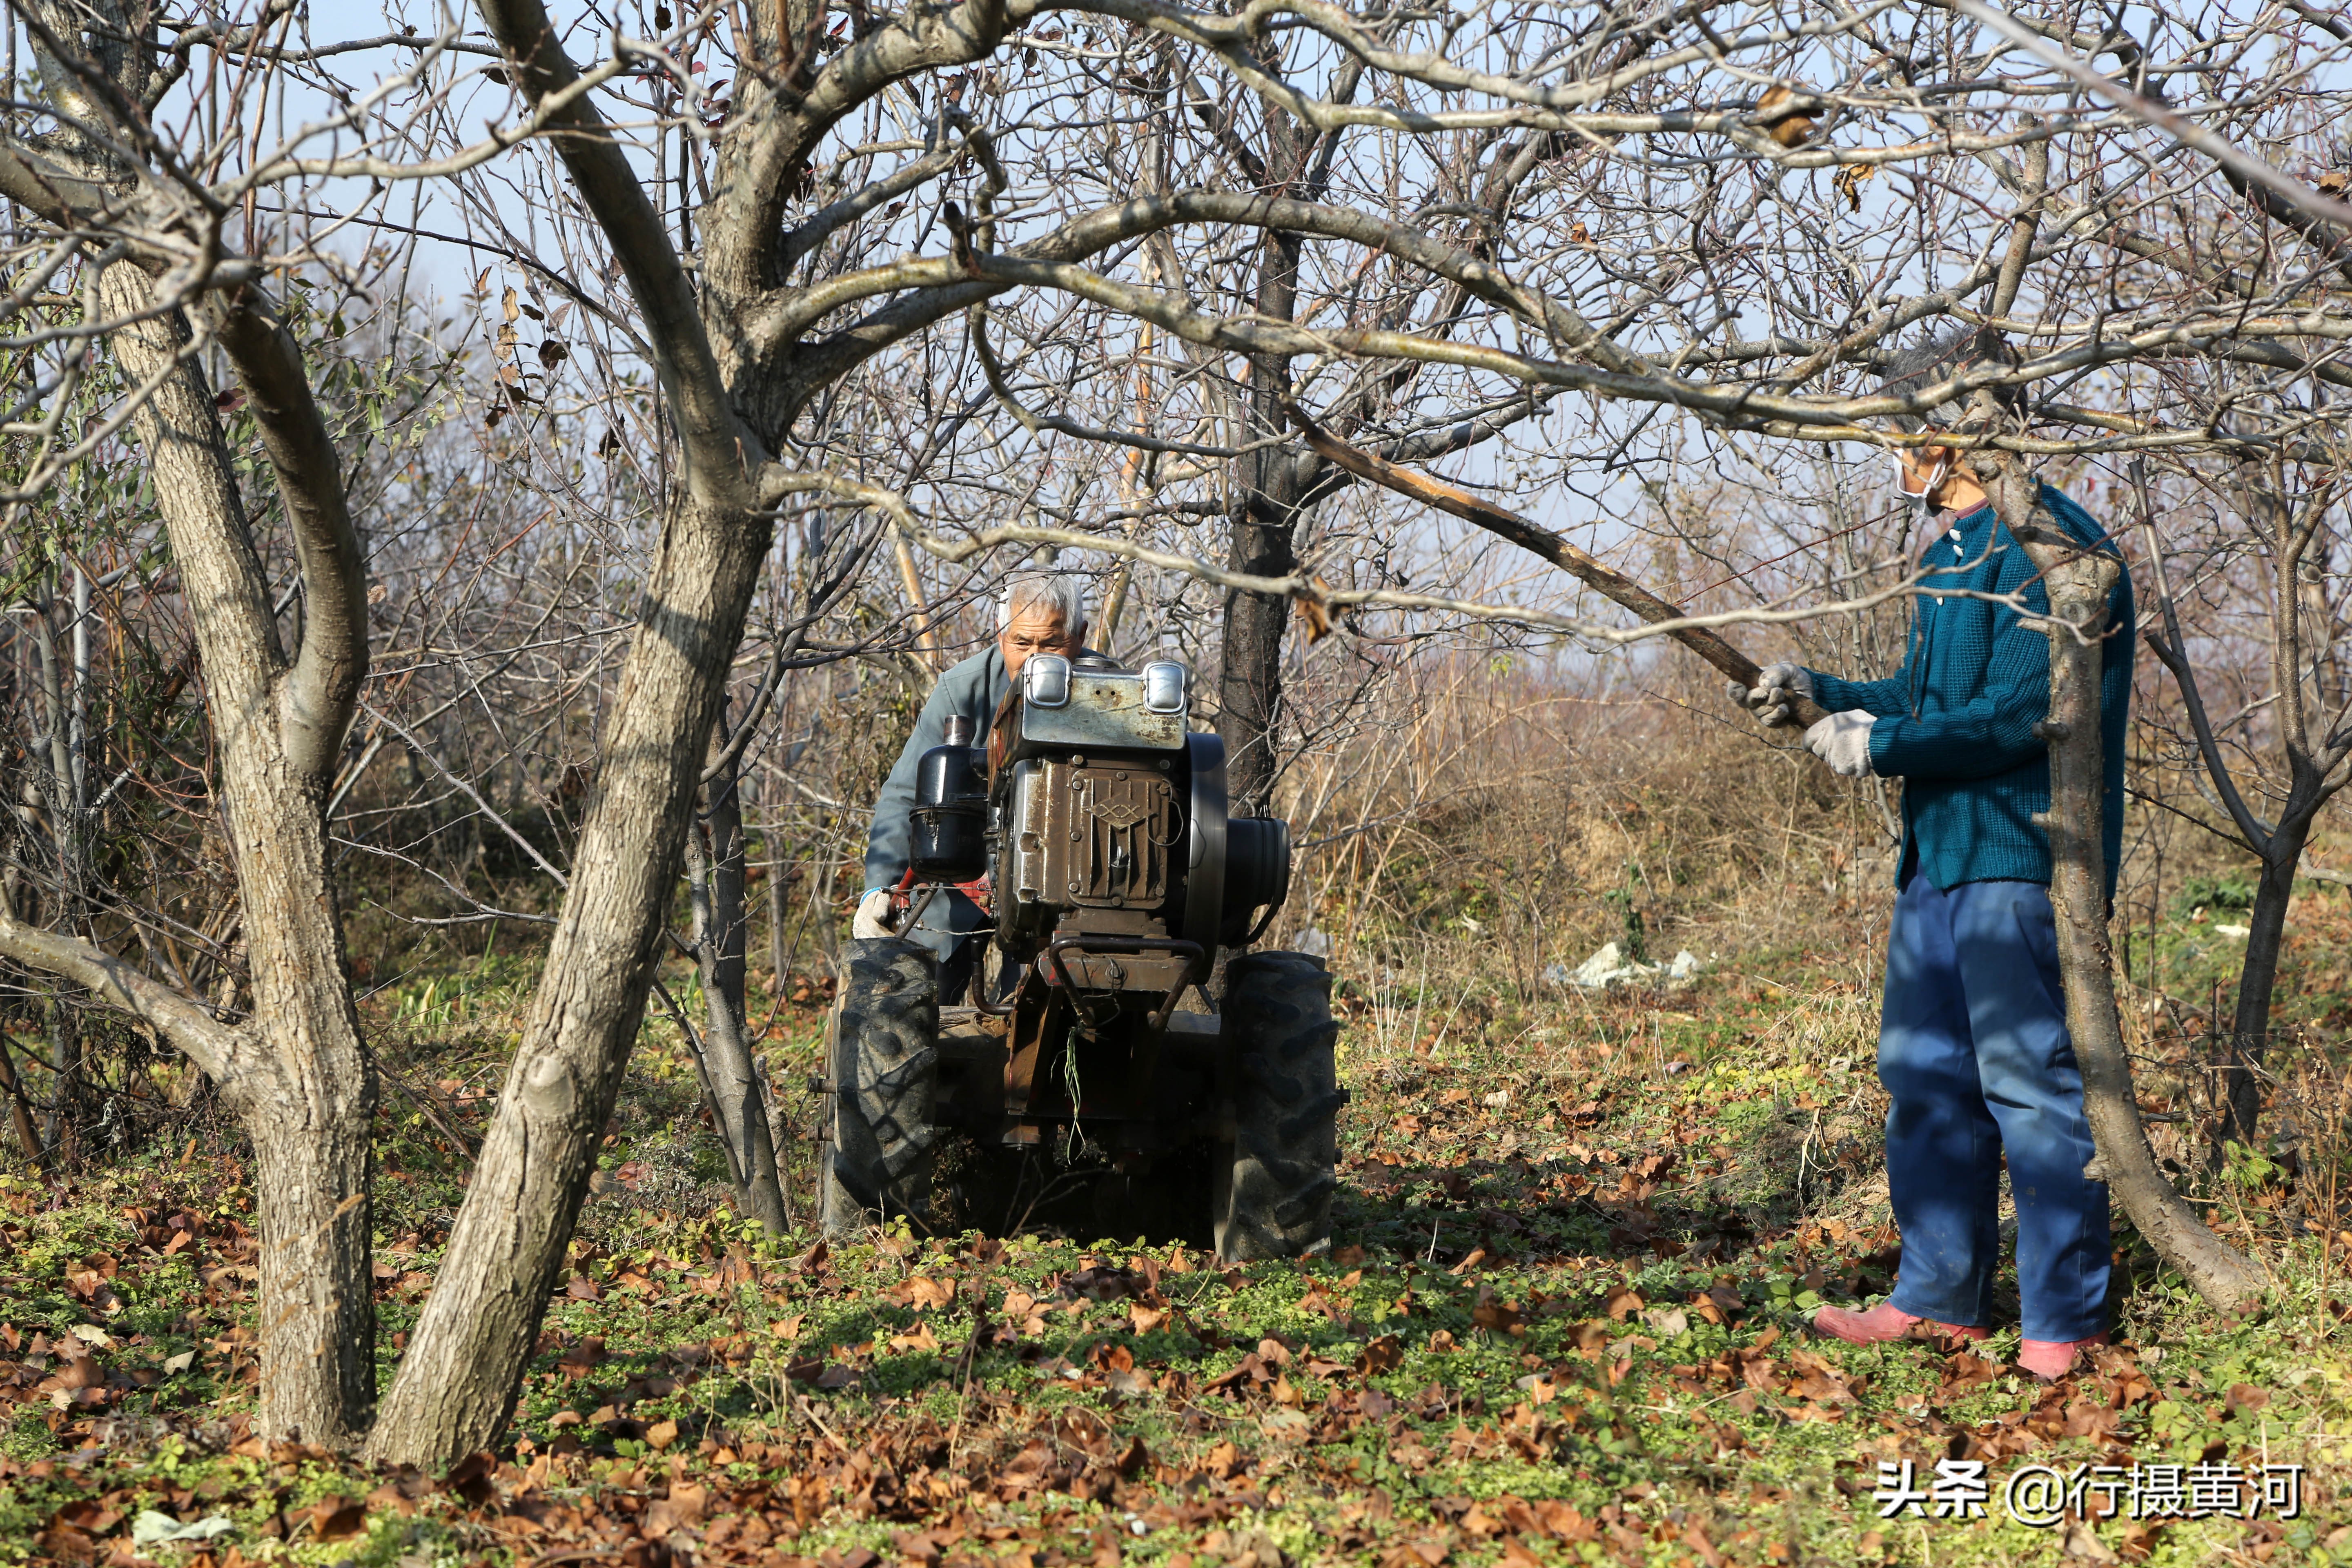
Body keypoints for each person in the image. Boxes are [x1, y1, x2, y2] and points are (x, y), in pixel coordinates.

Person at [1731, 329, 2135, 1381]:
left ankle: (2063, 1319)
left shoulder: (2056, 548)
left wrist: (1881, 746)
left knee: (2027, 1087)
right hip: (1935, 858)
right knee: (1922, 1080)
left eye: (1896, 431)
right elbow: (1923, 699)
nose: (1889, 453)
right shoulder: (1949, 552)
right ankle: (1936, 1297)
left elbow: (2016, 715)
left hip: (2019, 856)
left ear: (1947, 430)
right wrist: (1819, 694)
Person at [854, 571, 1097, 1000]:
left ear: (1080, 636)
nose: (1036, 658)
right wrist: (880, 886)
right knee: (912, 997)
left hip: (1066, 884)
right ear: (1002, 637)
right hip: (962, 873)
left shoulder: (1113, 700)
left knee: (1045, 1007)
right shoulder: (961, 691)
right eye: (1022, 643)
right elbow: (905, 795)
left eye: (1052, 643)